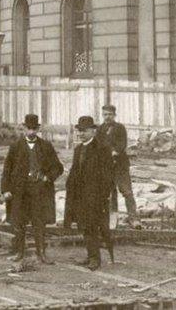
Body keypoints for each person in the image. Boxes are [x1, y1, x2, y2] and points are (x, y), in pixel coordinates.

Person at [0, 114, 64, 264]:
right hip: (19, 192)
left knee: (39, 222)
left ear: (38, 128)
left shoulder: (46, 146)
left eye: (34, 129)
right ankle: (19, 253)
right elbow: (7, 170)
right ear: (23, 128)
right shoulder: (15, 146)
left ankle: (41, 253)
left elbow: (58, 167)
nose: (31, 132)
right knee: (19, 222)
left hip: (39, 191)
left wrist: (48, 177)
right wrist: (5, 190)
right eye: (28, 129)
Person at [63, 116, 114, 271]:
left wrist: (103, 195)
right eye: (79, 130)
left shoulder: (102, 148)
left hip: (95, 196)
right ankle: (90, 254)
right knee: (84, 226)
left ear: (93, 131)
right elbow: (75, 170)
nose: (81, 133)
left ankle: (95, 258)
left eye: (85, 131)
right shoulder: (78, 149)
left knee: (93, 226)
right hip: (79, 195)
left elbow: (108, 175)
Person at [97, 104, 138, 228]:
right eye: (105, 114)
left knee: (127, 192)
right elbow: (98, 145)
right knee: (110, 193)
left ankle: (134, 218)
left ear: (114, 115)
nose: (107, 117)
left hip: (120, 166)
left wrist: (115, 152)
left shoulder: (120, 128)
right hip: (106, 166)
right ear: (102, 115)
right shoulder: (99, 129)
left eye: (110, 114)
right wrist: (106, 154)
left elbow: (122, 143)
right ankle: (112, 219)